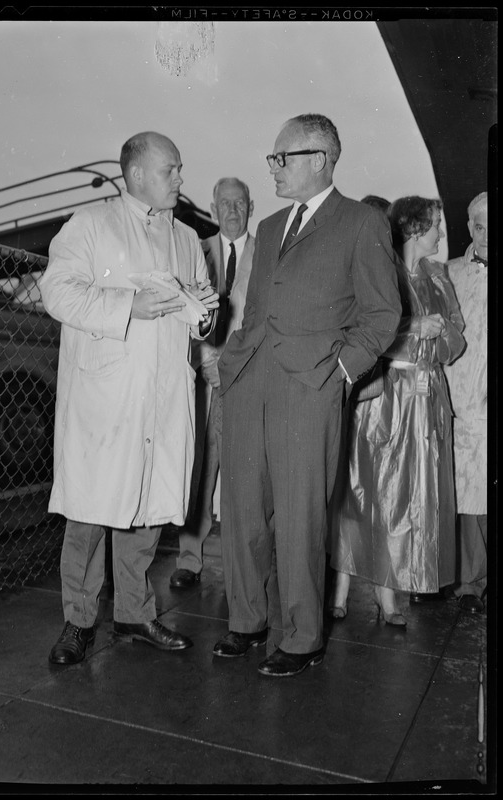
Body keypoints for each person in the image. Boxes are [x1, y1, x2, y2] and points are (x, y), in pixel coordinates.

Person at [213, 113, 402, 677]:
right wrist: (231, 364)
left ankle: (301, 638)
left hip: (310, 388)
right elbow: (253, 310)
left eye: (282, 158)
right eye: (272, 158)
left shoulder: (362, 222)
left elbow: (382, 315)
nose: (273, 167)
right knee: (243, 512)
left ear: (319, 159)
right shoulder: (269, 227)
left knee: (298, 518)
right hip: (249, 382)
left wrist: (339, 373)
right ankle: (246, 622)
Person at [40, 131, 219, 664]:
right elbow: (58, 291)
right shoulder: (90, 225)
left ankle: (135, 614)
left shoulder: (187, 238)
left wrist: (204, 314)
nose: (180, 180)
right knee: (92, 513)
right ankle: (78, 623)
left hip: (162, 396)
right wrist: (128, 305)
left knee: (145, 511)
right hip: (107, 399)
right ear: (138, 174)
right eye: (172, 171)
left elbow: (202, 311)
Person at [329, 196, 466, 626]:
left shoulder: (439, 277)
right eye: (435, 226)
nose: (441, 234)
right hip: (386, 399)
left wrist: (440, 335)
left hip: (427, 400)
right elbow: (362, 333)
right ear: (413, 229)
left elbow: (456, 342)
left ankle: (392, 590)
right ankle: (342, 586)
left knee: (414, 498)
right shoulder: (381, 273)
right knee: (369, 491)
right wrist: (412, 331)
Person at [170, 178, 255, 589]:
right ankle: (189, 559)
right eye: (225, 203)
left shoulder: (267, 255)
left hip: (245, 380)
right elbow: (183, 315)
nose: (233, 210)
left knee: (244, 473)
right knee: (198, 469)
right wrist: (206, 360)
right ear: (214, 207)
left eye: (239, 202)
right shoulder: (195, 251)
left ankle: (242, 568)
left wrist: (232, 362)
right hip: (204, 381)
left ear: (250, 207)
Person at [444, 192, 488, 614]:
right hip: (459, 403)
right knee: (466, 496)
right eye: (479, 225)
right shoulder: (451, 274)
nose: (487, 234)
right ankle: (469, 584)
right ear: (469, 227)